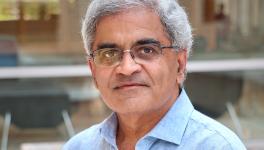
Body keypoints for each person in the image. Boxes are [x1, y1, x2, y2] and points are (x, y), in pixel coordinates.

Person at [64, 0, 246, 149]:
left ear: (180, 64)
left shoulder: (218, 146)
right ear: (93, 71)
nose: (127, 68)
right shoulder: (79, 146)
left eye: (146, 50)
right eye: (109, 53)